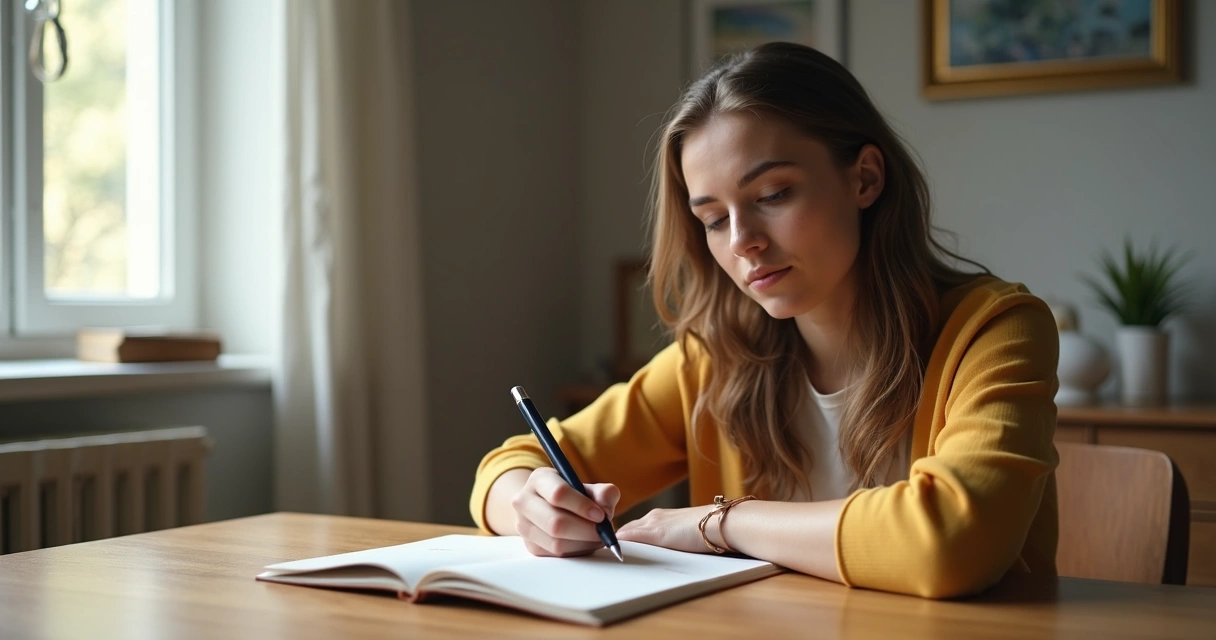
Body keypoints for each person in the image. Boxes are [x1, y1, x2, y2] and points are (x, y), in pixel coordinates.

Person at [470, 42, 1059, 599]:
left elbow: (951, 540)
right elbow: (509, 465)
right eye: (713, 219)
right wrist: (534, 505)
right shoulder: (718, 359)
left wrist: (722, 523)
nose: (744, 242)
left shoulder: (996, 331)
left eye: (773, 194)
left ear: (866, 178)